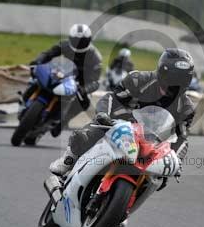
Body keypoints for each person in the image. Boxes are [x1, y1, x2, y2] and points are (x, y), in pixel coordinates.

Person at [49, 48, 196, 177]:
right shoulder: (139, 80)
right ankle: (69, 159)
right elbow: (111, 98)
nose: (174, 85)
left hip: (151, 143)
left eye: (180, 80)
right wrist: (103, 114)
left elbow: (181, 138)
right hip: (121, 126)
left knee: (162, 174)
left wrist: (176, 161)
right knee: (88, 133)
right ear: (161, 73)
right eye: (171, 78)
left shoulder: (186, 108)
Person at [23, 24, 102, 137]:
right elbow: (47, 53)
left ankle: (63, 120)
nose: (79, 43)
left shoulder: (95, 57)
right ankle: (24, 100)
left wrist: (85, 89)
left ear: (88, 40)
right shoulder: (64, 45)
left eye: (82, 40)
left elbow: (95, 81)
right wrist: (37, 62)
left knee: (84, 101)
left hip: (80, 82)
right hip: (62, 72)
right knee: (35, 78)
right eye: (76, 40)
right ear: (71, 38)